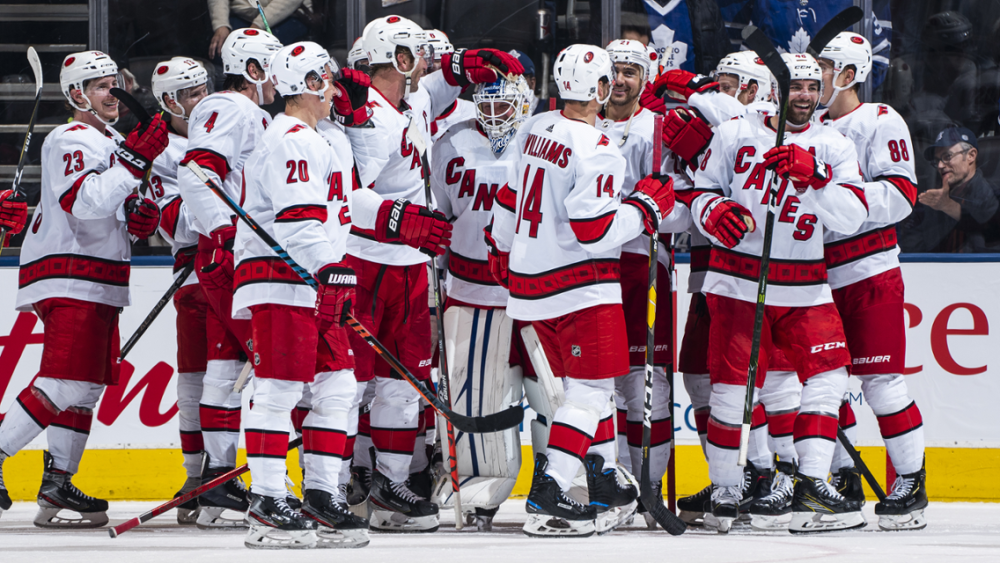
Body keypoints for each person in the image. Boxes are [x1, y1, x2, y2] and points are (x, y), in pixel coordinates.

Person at [486, 44, 674, 538]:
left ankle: (606, 476)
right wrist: (645, 208)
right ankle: (550, 492)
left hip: (530, 286)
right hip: (581, 286)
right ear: (601, 88)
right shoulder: (598, 147)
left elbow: (507, 200)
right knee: (590, 393)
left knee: (592, 391)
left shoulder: (534, 127)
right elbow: (594, 231)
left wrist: (501, 248)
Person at [344, 15, 519, 533]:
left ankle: (392, 487)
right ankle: (333, 484)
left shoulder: (411, 99)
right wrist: (399, 217)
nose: (424, 62)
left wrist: (466, 67)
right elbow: (347, 195)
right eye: (415, 54)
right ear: (399, 59)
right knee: (349, 382)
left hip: (409, 265)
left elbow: (437, 88)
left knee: (406, 381)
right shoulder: (362, 118)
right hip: (366, 260)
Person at [684, 52, 867, 534]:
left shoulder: (834, 144)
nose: (804, 95)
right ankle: (727, 489)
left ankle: (808, 483)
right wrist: (713, 213)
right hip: (740, 281)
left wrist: (817, 176)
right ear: (773, 88)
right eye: (794, 86)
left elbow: (852, 217)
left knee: (829, 377)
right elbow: (701, 192)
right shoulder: (735, 133)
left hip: (807, 285)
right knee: (731, 393)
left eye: (811, 86)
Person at [0, 51, 167, 526]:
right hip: (70, 272)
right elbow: (84, 202)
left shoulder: (112, 139)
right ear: (76, 94)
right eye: (99, 86)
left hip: (98, 277)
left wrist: (140, 216)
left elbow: (120, 205)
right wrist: (135, 163)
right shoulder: (69, 136)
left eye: (115, 84)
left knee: (86, 387)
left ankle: (58, 485)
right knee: (66, 381)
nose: (112, 94)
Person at [234, 41, 385, 549]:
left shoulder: (321, 138)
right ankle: (267, 501)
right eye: (326, 77)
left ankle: (321, 495)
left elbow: (343, 203)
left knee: (339, 387)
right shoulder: (290, 139)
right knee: (278, 389)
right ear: (310, 84)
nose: (334, 87)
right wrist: (333, 269)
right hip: (284, 276)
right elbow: (297, 224)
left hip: (312, 279)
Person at [816, 32, 927, 531]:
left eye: (824, 67)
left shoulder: (880, 119)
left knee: (881, 380)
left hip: (869, 268)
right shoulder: (811, 125)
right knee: (822, 384)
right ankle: (843, 477)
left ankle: (912, 481)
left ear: (847, 73)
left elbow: (902, 194)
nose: (815, 77)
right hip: (818, 275)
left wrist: (844, 200)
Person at [177, 27, 283, 529]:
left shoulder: (247, 111)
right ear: (255, 71)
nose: (281, 78)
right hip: (234, 252)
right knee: (273, 365)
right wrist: (223, 234)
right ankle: (265, 488)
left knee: (225, 365)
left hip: (229, 250)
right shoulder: (236, 108)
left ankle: (220, 483)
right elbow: (197, 171)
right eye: (274, 67)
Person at [429, 74, 531, 531]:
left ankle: (561, 480)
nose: (493, 115)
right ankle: (479, 481)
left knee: (556, 393)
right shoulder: (449, 143)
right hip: (472, 290)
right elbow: (440, 216)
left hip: (540, 291)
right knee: (476, 396)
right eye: (485, 104)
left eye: (504, 104)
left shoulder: (545, 138)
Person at [599, 38, 691, 530]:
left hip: (642, 263)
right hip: (589, 268)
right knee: (599, 386)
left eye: (630, 71)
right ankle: (613, 492)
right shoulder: (580, 124)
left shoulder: (660, 129)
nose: (620, 80)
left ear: (646, 75)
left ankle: (646, 492)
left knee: (642, 385)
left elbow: (685, 209)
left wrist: (654, 209)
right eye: (614, 70)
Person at [148, 56, 212, 525]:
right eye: (192, 93)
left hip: (239, 273)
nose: (202, 99)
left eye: (204, 88)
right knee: (194, 378)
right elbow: (175, 225)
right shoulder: (162, 153)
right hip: (195, 278)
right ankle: (196, 476)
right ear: (171, 102)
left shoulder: (231, 131)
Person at [899, 127, 1000, 252]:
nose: (940, 165)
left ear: (971, 155)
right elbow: (914, 245)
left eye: (947, 156)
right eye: (937, 161)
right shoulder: (935, 197)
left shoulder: (991, 193)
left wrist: (948, 206)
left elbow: (992, 230)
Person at [208, 0, 310, 58]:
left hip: (286, 16)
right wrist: (221, 25)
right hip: (241, 15)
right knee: (222, 49)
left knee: (267, 54)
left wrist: (257, 26)